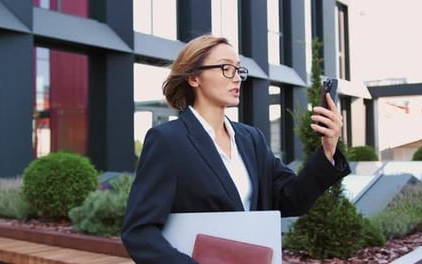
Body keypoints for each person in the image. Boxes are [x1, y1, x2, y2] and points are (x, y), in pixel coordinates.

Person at [121, 34, 350, 263]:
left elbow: (292, 198)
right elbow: (139, 232)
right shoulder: (168, 141)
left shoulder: (251, 139)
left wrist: (328, 149)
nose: (237, 78)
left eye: (238, 70)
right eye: (226, 68)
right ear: (194, 78)